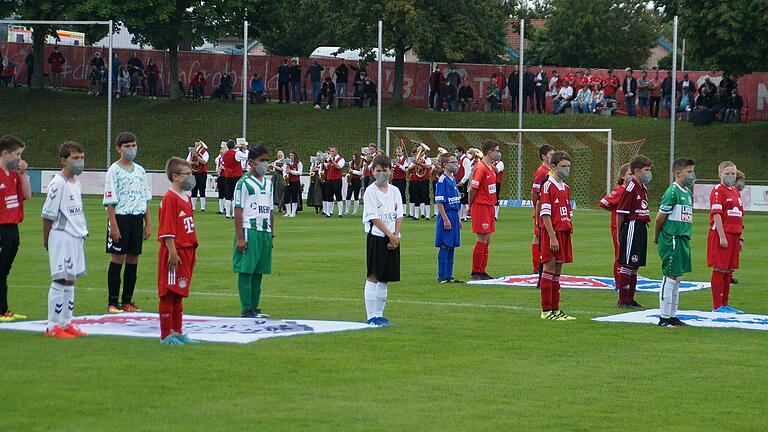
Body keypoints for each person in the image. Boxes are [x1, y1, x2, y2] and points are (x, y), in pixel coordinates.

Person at [42, 142, 88, 338]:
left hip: (76, 236)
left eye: (82, 158)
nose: (80, 162)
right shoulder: (57, 183)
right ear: (63, 160)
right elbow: (47, 214)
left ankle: (67, 322)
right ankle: (52, 326)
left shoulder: (76, 181)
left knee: (71, 280)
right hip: (62, 235)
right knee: (60, 279)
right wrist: (47, 240)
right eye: (75, 158)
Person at [103, 132, 152, 314]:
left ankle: (128, 300)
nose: (132, 149)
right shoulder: (114, 171)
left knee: (133, 259)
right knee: (118, 259)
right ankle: (113, 302)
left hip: (136, 219)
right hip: (120, 218)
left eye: (133, 145)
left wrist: (148, 223)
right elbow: (109, 200)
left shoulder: (140, 171)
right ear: (118, 149)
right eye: (127, 146)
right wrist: (113, 225)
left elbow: (145, 198)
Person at [157, 157, 200, 344]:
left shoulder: (186, 197)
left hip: (187, 251)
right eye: (187, 174)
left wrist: (193, 253)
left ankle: (177, 330)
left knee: (180, 292)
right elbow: (167, 229)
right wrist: (172, 252)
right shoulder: (170, 198)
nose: (191, 178)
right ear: (175, 176)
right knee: (169, 292)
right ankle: (166, 334)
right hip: (174, 252)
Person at [653, 158, 696, 327]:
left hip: (683, 239)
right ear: (678, 173)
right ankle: (664, 317)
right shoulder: (672, 192)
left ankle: (672, 315)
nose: (693, 175)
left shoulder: (687, 192)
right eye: (689, 171)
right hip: (672, 238)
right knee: (670, 276)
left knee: (677, 277)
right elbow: (659, 218)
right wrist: (657, 237)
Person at [233, 145, 274, 318]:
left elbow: (271, 210)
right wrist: (240, 237)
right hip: (249, 230)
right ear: (251, 162)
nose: (265, 164)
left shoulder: (269, 183)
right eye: (261, 160)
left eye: (266, 160)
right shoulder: (243, 183)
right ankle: (246, 308)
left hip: (264, 231)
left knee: (259, 271)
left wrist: (272, 234)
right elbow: (238, 210)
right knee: (246, 269)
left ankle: (255, 307)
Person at [362, 154, 402, 326]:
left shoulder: (395, 191)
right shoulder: (370, 191)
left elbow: (399, 214)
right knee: (373, 276)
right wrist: (389, 235)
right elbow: (374, 218)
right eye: (378, 171)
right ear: (372, 172)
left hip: (393, 238)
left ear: (391, 172)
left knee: (385, 277)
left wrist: (396, 235)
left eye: (385, 171)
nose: (382, 174)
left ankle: (380, 314)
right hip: (377, 237)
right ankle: (371, 316)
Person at [538, 151, 576, 320]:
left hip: (564, 232)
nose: (566, 170)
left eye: (568, 167)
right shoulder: (548, 185)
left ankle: (556, 309)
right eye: (563, 167)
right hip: (551, 233)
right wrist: (552, 236)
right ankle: (546, 311)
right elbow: (545, 214)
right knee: (549, 268)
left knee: (558, 271)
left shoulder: (565, 188)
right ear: (553, 167)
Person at [0, 136, 31, 322]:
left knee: (4, 270)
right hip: (1, 227)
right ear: (5, 154)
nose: (19, 159)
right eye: (17, 154)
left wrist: (22, 174)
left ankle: (4, 310)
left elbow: (26, 194)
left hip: (12, 227)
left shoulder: (12, 175)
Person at [615, 154, 653, 308]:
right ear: (637, 171)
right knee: (627, 263)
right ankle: (622, 299)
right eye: (646, 170)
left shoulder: (642, 187)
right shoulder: (630, 188)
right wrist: (620, 234)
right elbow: (621, 212)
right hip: (632, 226)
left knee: (635, 264)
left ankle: (630, 298)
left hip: (642, 227)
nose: (649, 173)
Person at [707, 161, 744, 313]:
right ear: (720, 174)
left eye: (733, 173)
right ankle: (717, 306)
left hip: (734, 235)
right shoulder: (717, 190)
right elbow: (716, 214)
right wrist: (722, 237)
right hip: (722, 234)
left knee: (729, 270)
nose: (730, 176)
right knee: (720, 268)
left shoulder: (736, 191)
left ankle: (726, 303)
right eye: (727, 173)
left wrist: (740, 238)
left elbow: (740, 216)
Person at [469, 140, 499, 280]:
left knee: (487, 239)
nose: (498, 153)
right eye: (496, 151)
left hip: (489, 206)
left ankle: (482, 270)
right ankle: (476, 271)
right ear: (490, 152)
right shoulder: (481, 168)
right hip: (481, 206)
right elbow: (473, 189)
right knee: (482, 238)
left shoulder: (489, 167)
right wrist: (471, 206)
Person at [599, 163, 631, 289]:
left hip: (629, 226)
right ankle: (619, 285)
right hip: (618, 227)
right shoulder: (619, 191)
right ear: (623, 176)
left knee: (628, 254)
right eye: (629, 174)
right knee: (619, 255)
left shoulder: (632, 190)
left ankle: (626, 282)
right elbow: (603, 202)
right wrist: (614, 211)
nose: (631, 177)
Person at [434, 152, 463, 284]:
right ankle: (442, 276)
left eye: (456, 161)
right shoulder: (442, 181)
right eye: (453, 162)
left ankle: (449, 275)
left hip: (454, 215)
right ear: (445, 165)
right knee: (445, 246)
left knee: (452, 246)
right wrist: (445, 219)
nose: (456, 164)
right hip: (446, 215)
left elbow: (455, 200)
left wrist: (458, 218)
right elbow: (439, 202)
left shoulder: (453, 179)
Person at [531, 145, 555, 273]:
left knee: (542, 235)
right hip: (541, 208)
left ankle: (543, 263)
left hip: (548, 207)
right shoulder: (541, 171)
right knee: (538, 236)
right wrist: (536, 208)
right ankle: (536, 267)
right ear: (544, 156)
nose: (553, 157)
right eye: (551, 154)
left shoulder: (550, 170)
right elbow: (534, 192)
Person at [220, 139, 248, 218]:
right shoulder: (237, 153)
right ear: (234, 145)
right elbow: (247, 157)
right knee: (236, 195)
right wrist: (245, 149)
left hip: (228, 175)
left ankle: (227, 213)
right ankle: (234, 214)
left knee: (228, 195)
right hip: (236, 175)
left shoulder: (225, 154)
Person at [407, 146, 432, 220]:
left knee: (426, 196)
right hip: (416, 179)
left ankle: (427, 215)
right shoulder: (416, 159)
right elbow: (409, 168)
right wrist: (415, 163)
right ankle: (416, 215)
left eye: (419, 151)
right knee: (416, 197)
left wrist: (419, 163)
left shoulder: (427, 159)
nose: (418, 153)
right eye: (418, 151)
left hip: (424, 180)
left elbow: (428, 166)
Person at [186, 139, 210, 212]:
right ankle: (193, 207)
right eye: (195, 145)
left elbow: (204, 161)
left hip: (202, 173)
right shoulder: (191, 153)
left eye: (198, 145)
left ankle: (202, 208)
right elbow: (187, 161)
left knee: (202, 190)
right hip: (194, 172)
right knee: (194, 190)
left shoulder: (205, 153)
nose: (196, 147)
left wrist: (197, 157)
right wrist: (192, 162)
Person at [323, 146, 346, 217]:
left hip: (337, 180)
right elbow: (326, 167)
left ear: (336, 151)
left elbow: (339, 166)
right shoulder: (329, 159)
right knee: (329, 196)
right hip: (329, 179)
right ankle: (328, 212)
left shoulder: (341, 159)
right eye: (330, 151)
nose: (331, 153)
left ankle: (340, 213)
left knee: (338, 196)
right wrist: (325, 162)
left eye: (333, 151)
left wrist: (332, 161)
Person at [457, 147, 475, 221]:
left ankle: (465, 215)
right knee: (461, 200)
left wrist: (462, 181)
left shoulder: (465, 160)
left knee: (464, 200)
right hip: (459, 181)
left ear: (461, 152)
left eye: (457, 151)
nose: (456, 153)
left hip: (463, 182)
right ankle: (462, 216)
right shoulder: (460, 160)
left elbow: (468, 172)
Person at [284, 151, 302, 217]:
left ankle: (293, 212)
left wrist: (291, 171)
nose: (291, 157)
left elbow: (300, 172)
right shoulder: (287, 163)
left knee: (294, 196)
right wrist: (285, 174)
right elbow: (284, 170)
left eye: (292, 155)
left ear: (295, 156)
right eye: (290, 155)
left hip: (295, 181)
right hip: (288, 180)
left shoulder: (298, 163)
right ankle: (288, 211)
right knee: (286, 196)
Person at [492, 149, 504, 220]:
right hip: (491, 182)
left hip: (497, 182)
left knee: (496, 198)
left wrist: (489, 164)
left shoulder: (500, 163)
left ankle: (495, 215)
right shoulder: (492, 163)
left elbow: (497, 170)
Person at [215, 143, 226, 214]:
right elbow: (217, 168)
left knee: (226, 193)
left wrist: (224, 168)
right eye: (221, 154)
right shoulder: (218, 159)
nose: (222, 155)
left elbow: (230, 168)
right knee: (220, 193)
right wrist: (218, 170)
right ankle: (221, 209)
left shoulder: (228, 159)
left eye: (223, 154)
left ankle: (225, 208)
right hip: (221, 176)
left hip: (227, 176)